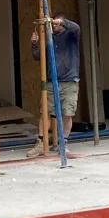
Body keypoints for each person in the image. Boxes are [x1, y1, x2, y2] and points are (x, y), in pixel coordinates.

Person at [29, 14, 81, 157]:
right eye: (53, 24)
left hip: (70, 81)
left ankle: (63, 143)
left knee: (67, 113)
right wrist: (34, 44)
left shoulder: (72, 35)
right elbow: (38, 56)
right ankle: (41, 143)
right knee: (45, 111)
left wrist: (62, 21)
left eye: (56, 24)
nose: (54, 26)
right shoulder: (49, 39)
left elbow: (76, 27)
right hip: (52, 81)